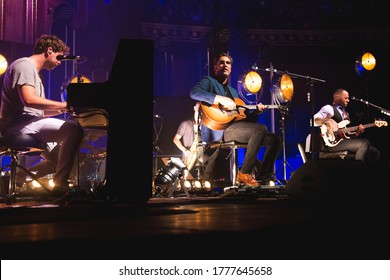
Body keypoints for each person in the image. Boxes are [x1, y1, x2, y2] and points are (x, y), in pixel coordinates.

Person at [0, 34, 84, 196]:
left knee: (63, 160)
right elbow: (29, 100)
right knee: (73, 130)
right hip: (17, 126)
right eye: (60, 57)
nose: (60, 62)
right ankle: (60, 186)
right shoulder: (24, 65)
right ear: (49, 51)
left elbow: (39, 111)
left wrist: (65, 110)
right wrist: (66, 105)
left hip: (29, 123)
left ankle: (20, 176)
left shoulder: (34, 73)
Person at [190, 52, 282, 186]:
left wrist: (256, 111)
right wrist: (219, 98)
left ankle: (263, 177)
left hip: (235, 128)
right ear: (215, 67)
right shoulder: (209, 81)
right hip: (221, 131)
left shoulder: (234, 92)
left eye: (228, 63)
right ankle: (244, 173)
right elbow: (194, 92)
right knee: (261, 129)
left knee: (276, 140)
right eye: (221, 62)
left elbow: (243, 118)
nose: (225, 65)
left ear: (231, 68)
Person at [313, 88, 380, 162]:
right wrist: (328, 120)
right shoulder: (329, 108)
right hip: (331, 144)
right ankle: (359, 169)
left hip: (341, 141)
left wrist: (356, 133)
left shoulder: (346, 113)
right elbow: (313, 121)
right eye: (346, 98)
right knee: (364, 143)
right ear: (337, 97)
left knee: (375, 152)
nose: (348, 100)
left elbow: (345, 134)